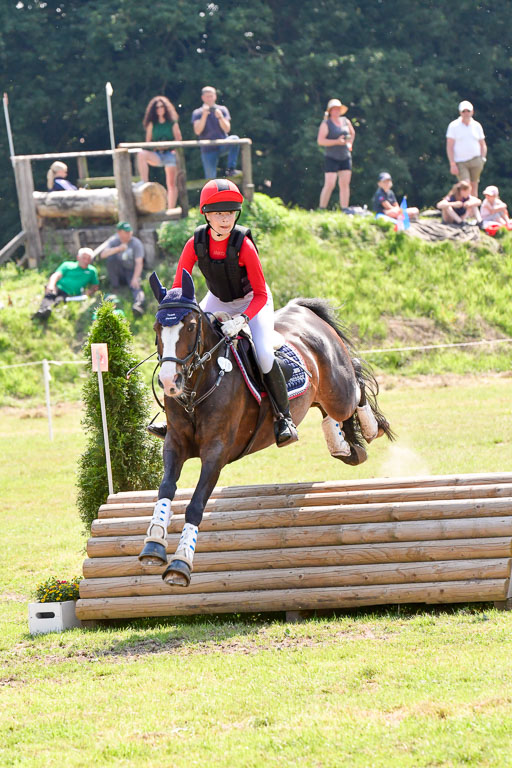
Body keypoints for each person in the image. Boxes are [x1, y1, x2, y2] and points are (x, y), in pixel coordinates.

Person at [154, 179, 298, 447]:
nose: (225, 219)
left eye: (230, 213)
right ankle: (174, 418)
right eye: (218, 213)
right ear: (206, 215)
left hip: (252, 301)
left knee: (264, 354)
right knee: (188, 346)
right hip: (218, 300)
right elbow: (178, 287)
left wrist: (242, 319)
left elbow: (261, 294)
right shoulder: (194, 244)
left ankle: (283, 417)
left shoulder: (244, 246)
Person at [137, 95, 183, 210]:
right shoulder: (152, 123)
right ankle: (144, 183)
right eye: (157, 107)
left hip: (169, 154)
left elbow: (178, 139)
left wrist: (167, 145)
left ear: (166, 108)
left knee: (171, 184)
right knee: (141, 153)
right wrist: (157, 146)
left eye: (162, 106)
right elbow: (147, 142)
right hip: (157, 154)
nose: (160, 109)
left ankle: (171, 210)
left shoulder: (172, 122)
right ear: (154, 110)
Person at [33, 248, 98, 320]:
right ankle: (42, 310)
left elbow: (95, 286)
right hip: (58, 287)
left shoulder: (92, 271)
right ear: (78, 258)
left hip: (69, 293)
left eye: (88, 259)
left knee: (59, 300)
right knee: (50, 295)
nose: (86, 261)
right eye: (84, 258)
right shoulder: (67, 265)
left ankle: (46, 311)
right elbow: (56, 275)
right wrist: (51, 285)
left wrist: (89, 292)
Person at [191, 86, 240, 179]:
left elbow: (227, 129)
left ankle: (231, 169)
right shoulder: (197, 113)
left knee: (235, 139)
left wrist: (220, 117)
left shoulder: (222, 109)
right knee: (210, 179)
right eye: (207, 96)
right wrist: (204, 116)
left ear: (215, 96)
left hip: (222, 144)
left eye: (211, 96)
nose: (209, 98)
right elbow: (197, 131)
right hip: (207, 149)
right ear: (202, 98)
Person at [98, 222, 146, 315]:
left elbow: (139, 263)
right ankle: (115, 287)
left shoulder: (136, 243)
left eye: (130, 232)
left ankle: (138, 305)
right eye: (126, 232)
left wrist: (135, 278)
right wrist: (118, 249)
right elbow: (103, 255)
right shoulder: (114, 241)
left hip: (131, 271)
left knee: (136, 287)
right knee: (111, 259)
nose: (129, 234)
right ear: (119, 232)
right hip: (118, 271)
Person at [317, 98, 355, 211]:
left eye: (338, 109)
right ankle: (322, 208)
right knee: (330, 184)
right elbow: (321, 141)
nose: (336, 111)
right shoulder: (326, 124)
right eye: (334, 109)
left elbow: (352, 133)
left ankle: (345, 209)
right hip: (331, 157)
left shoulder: (345, 121)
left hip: (345, 156)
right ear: (330, 111)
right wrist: (336, 142)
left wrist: (349, 144)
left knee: (344, 184)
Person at [446, 100, 487, 197]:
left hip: (476, 160)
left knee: (474, 185)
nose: (466, 113)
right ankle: (465, 209)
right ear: (460, 112)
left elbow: (482, 144)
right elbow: (449, 146)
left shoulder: (477, 125)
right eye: (463, 111)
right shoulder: (453, 126)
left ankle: (473, 210)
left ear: (472, 112)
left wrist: (482, 159)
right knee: (466, 185)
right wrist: (452, 164)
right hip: (460, 161)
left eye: (468, 111)